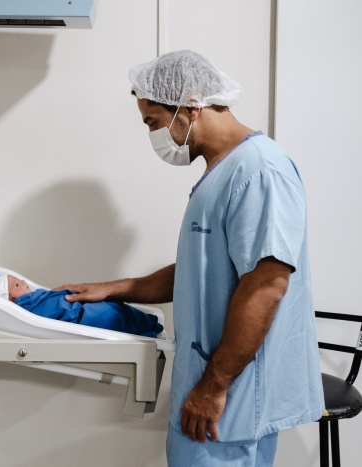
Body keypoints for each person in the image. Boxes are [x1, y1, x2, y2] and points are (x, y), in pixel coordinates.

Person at [55, 50, 324, 467]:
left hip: (228, 396)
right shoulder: (223, 170)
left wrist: (214, 385)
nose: (153, 135)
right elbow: (206, 270)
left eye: (153, 122)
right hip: (211, 384)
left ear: (191, 105)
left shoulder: (259, 170)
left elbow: (267, 284)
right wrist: (116, 289)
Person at [0, 273, 164, 337]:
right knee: (113, 314)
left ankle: (147, 324)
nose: (22, 282)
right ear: (9, 300)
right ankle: (147, 326)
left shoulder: (36, 298)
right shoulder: (28, 309)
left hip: (80, 305)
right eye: (16, 285)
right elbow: (59, 311)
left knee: (115, 309)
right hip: (81, 314)